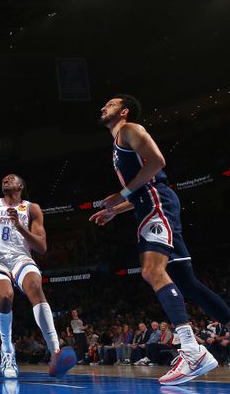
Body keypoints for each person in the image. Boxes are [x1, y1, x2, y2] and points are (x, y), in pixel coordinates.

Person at [92, 95, 226, 384]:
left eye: (111, 104)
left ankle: (192, 350)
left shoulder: (130, 129)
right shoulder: (117, 143)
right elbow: (144, 187)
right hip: (150, 204)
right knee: (189, 284)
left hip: (157, 206)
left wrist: (122, 195)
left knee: (152, 271)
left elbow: (157, 164)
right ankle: (203, 343)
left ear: (124, 111)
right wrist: (117, 209)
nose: (104, 106)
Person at [0, 174, 76, 379]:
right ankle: (7, 351)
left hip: (21, 257)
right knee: (4, 295)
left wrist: (20, 227)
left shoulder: (32, 208)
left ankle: (55, 351)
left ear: (21, 186)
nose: (6, 179)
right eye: (3, 179)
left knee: (35, 286)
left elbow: (42, 247)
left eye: (11, 178)